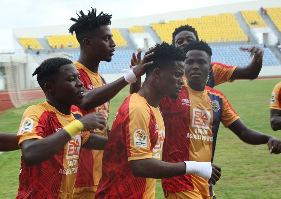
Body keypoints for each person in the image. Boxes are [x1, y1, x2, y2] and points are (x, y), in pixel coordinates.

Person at [96, 43, 221, 199]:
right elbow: (140, 165)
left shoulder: (152, 108)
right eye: (177, 75)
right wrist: (193, 167)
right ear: (156, 73)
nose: (182, 82)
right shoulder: (138, 109)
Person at [159, 41, 281, 199]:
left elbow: (243, 131)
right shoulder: (170, 95)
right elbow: (142, 100)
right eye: (189, 62)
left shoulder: (217, 99)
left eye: (201, 62)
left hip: (206, 182)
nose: (195, 66)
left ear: (210, 68)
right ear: (183, 67)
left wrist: (268, 138)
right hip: (179, 182)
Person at [68, 8, 153, 198]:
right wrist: (130, 76)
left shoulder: (101, 80)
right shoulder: (73, 74)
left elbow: (106, 124)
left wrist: (135, 80)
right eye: (107, 38)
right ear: (88, 42)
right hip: (81, 179)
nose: (113, 44)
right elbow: (84, 101)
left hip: (103, 176)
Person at [16, 57, 107, 198]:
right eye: (71, 79)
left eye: (78, 78)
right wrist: (77, 126)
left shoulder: (75, 114)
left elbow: (86, 139)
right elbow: (30, 153)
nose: (80, 83)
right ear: (49, 87)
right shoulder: (37, 113)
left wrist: (121, 144)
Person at [172, 25, 264, 88]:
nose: (185, 43)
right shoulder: (166, 70)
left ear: (197, 42)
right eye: (180, 42)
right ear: (174, 46)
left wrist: (258, 57)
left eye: (190, 40)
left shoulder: (212, 69)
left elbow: (249, 73)